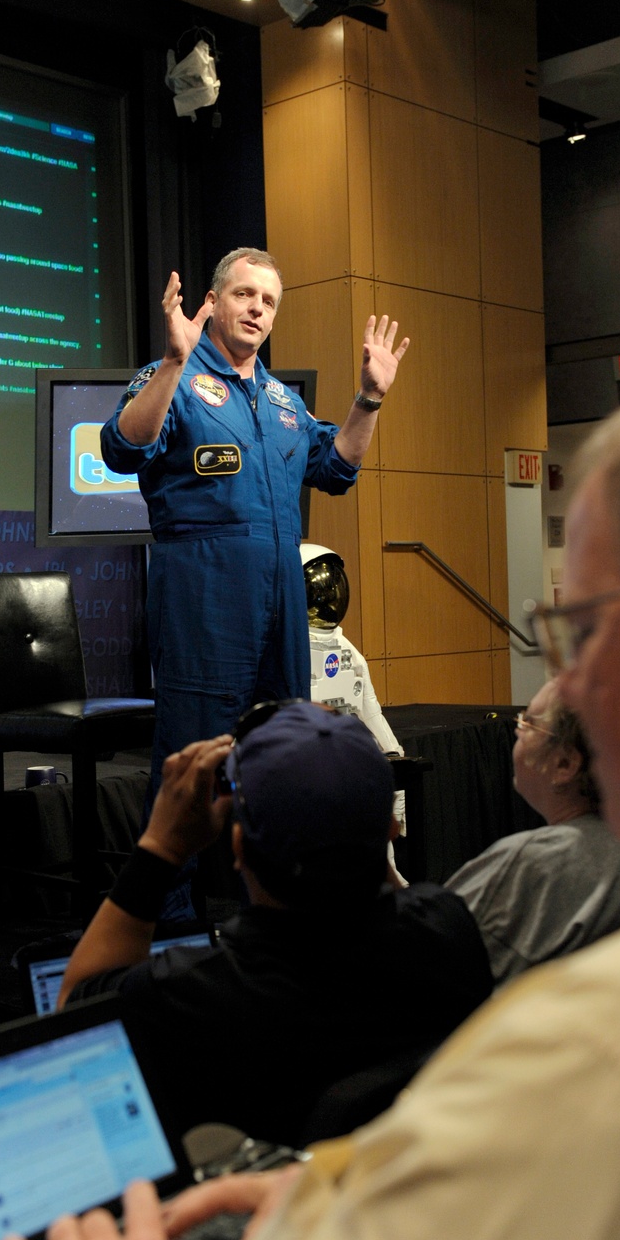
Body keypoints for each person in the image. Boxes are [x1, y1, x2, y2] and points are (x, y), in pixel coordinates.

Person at [1, 378, 620, 1240]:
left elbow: (80, 1019)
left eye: (579, 627)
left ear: (238, 845)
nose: (561, 685)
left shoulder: (589, 1058)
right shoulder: (452, 940)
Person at [57, 703, 492, 1145]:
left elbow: (76, 1010)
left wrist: (161, 846)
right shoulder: (448, 929)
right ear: (393, 828)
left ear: (239, 846)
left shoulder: (189, 997)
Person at [100, 250, 409, 829]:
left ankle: (267, 905)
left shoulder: (282, 400)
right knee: (191, 764)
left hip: (280, 604)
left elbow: (336, 468)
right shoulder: (175, 378)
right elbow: (121, 447)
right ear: (213, 302)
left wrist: (369, 398)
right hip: (203, 597)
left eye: (268, 302)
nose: (257, 309)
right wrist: (173, 360)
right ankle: (171, 917)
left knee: (281, 764)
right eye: (245, 294)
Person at [446, 679, 620, 982]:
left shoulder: (531, 864)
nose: (517, 730)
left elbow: (418, 959)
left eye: (528, 724)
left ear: (565, 764)